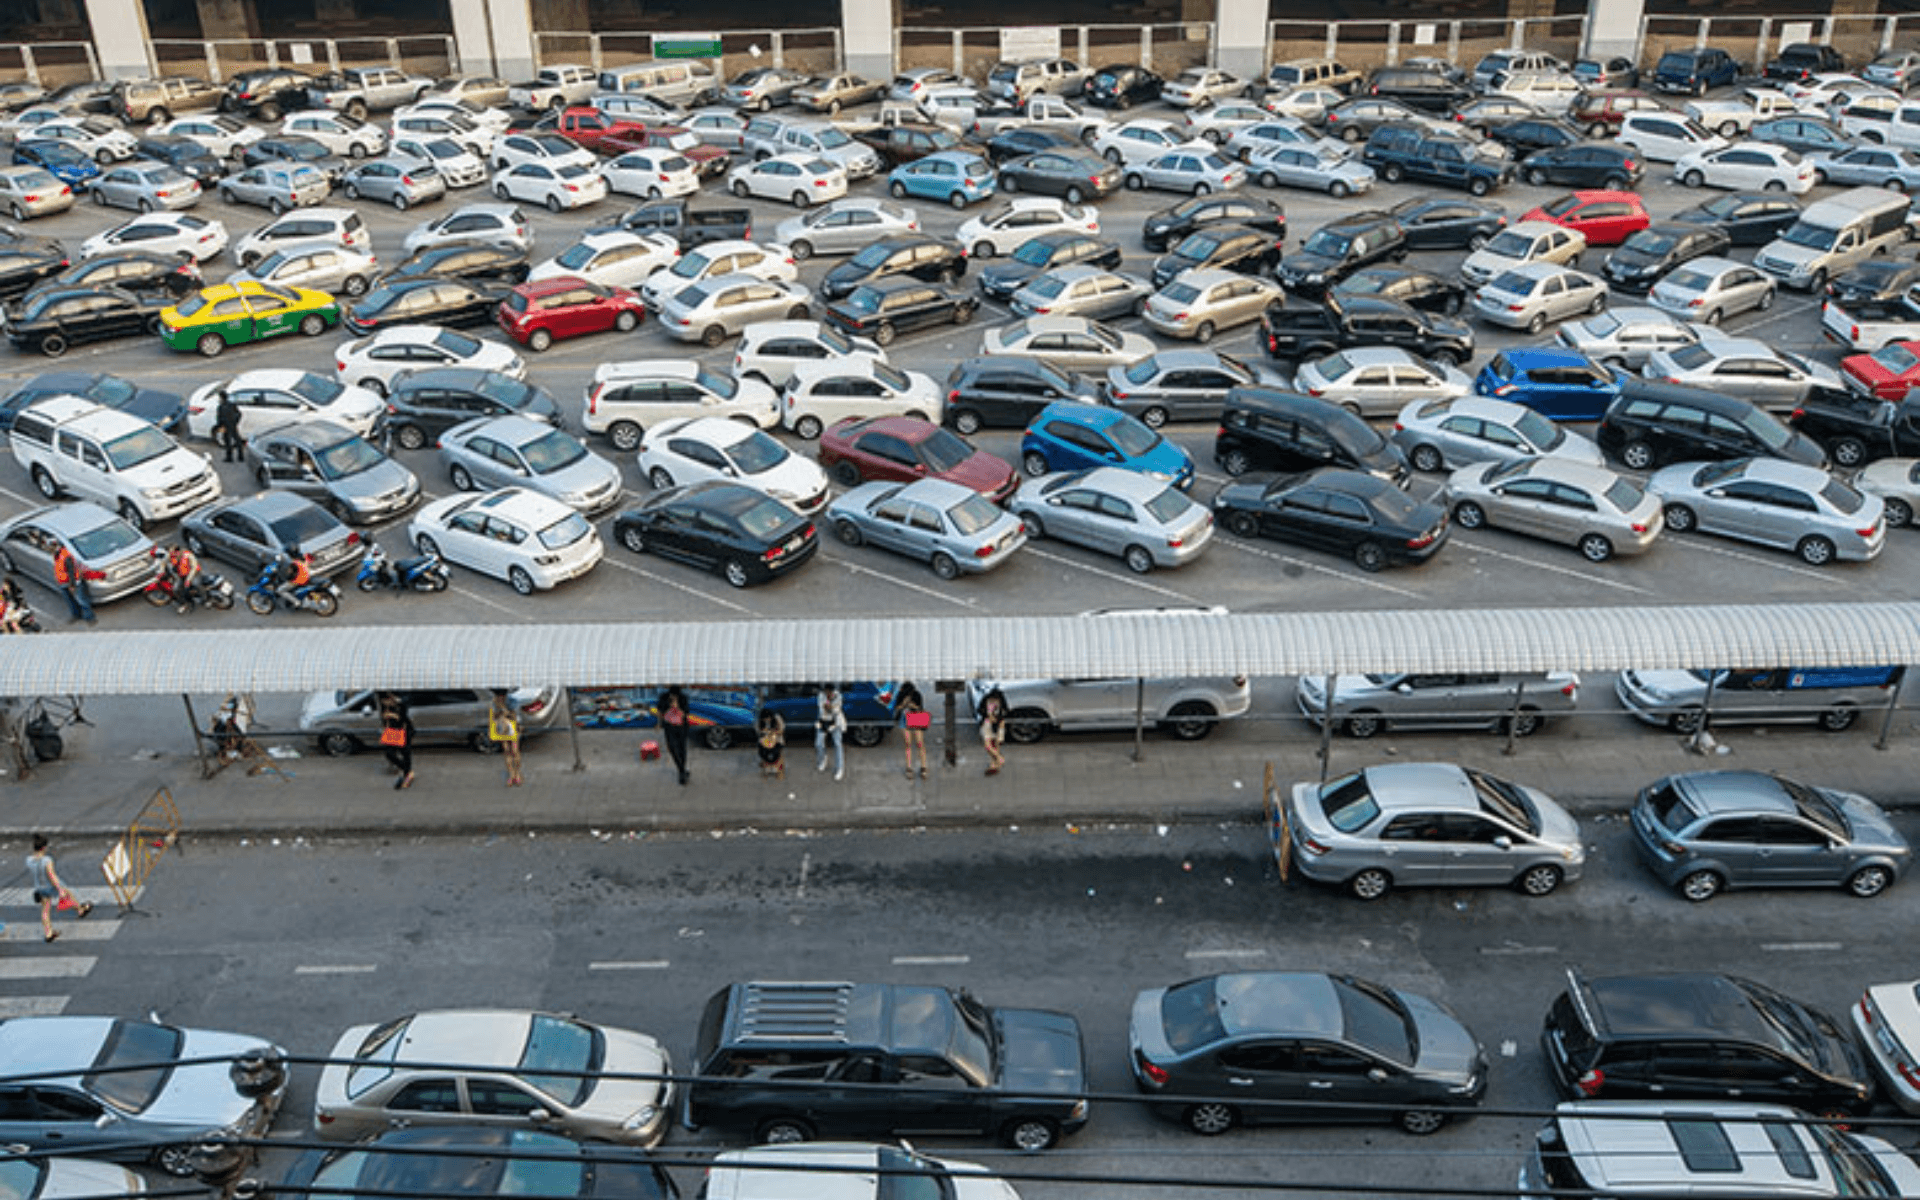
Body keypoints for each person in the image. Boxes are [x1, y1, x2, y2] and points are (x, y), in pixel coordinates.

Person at [27, 833, 91, 943]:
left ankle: (49, 933)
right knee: (68, 894)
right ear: (44, 847)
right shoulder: (47, 860)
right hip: (50, 886)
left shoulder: (29, 860)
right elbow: (52, 876)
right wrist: (60, 889)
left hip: (39, 888)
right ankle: (80, 910)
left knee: (45, 910)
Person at [49, 541, 94, 625]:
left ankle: (90, 618)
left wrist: (72, 585)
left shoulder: (66, 556)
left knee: (81, 600)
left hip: (72, 582)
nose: (50, 549)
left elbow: (71, 571)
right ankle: (76, 615)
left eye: (52, 547)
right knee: (70, 600)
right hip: (63, 583)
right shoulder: (56, 555)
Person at [378, 692, 415, 790]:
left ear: (391, 699)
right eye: (383, 702)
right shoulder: (385, 707)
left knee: (405, 753)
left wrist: (392, 715)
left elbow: (402, 718)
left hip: (404, 732)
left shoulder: (401, 705)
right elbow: (385, 720)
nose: (385, 704)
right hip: (392, 733)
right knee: (389, 754)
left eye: (386, 702)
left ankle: (407, 774)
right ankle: (408, 771)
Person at [489, 690, 522, 787]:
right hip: (502, 727)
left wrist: (503, 710)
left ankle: (517, 773)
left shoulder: (512, 700)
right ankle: (511, 775)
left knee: (515, 751)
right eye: (498, 696)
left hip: (513, 727)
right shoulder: (494, 702)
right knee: (507, 751)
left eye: (502, 696)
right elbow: (494, 717)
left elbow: (515, 716)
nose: (500, 698)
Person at [658, 687, 690, 785]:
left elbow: (685, 714)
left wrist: (677, 706)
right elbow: (660, 711)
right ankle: (682, 770)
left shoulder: (683, 697)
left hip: (681, 727)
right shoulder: (664, 697)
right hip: (669, 726)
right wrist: (659, 723)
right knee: (672, 748)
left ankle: (682, 772)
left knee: (682, 749)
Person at [898, 682, 930, 780]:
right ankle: (909, 768)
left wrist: (912, 705)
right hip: (904, 720)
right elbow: (897, 707)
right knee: (908, 744)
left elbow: (920, 708)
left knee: (920, 743)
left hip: (916, 718)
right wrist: (904, 704)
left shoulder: (917, 695)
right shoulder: (901, 695)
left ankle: (923, 767)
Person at [815, 684, 846, 781]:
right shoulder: (821, 695)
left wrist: (830, 707)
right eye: (826, 692)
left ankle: (839, 768)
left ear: (832, 691)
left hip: (835, 722)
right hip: (824, 720)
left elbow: (837, 710)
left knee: (837, 744)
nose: (827, 694)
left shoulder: (838, 696)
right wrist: (826, 707)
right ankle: (823, 759)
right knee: (818, 743)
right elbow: (821, 709)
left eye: (829, 692)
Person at [978, 687, 1007, 777]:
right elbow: (979, 710)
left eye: (996, 699)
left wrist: (998, 718)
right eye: (992, 699)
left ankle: (994, 765)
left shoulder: (1001, 702)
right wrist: (987, 716)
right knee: (988, 745)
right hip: (987, 724)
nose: (994, 700)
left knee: (996, 745)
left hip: (999, 725)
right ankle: (1000, 758)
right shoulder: (986, 700)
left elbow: (1005, 711)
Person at [168, 544, 203, 613]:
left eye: (174, 553)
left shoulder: (188, 555)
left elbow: (194, 567)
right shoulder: (172, 557)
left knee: (196, 584)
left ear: (178, 551)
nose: (173, 555)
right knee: (175, 589)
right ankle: (184, 603)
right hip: (182, 576)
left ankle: (201, 597)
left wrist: (188, 580)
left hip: (193, 574)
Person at [755, 708, 785, 781]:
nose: (767, 720)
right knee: (762, 751)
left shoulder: (777, 719)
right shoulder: (759, 722)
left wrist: (773, 733)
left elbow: (781, 730)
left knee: (776, 753)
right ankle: (766, 766)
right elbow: (758, 732)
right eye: (765, 719)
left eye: (768, 718)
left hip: (776, 740)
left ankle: (778, 769)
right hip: (765, 740)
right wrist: (764, 733)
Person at [214, 391, 243, 463]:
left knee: (228, 442)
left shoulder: (220, 407)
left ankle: (229, 457)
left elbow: (220, 418)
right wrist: (236, 422)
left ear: (221, 397)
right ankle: (241, 456)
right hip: (233, 425)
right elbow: (239, 414)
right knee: (237, 440)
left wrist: (219, 426)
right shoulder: (232, 404)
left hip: (225, 426)